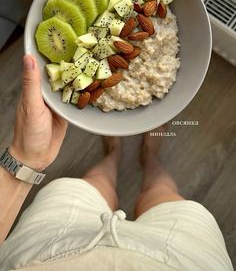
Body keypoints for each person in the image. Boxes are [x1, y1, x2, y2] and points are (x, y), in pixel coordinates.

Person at [0, 55, 233, 271]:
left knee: (94, 183)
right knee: (161, 192)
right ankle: (146, 155)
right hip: (186, 260)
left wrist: (25, 156)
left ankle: (116, 153)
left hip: (46, 248)